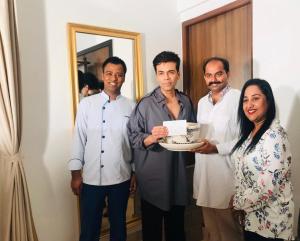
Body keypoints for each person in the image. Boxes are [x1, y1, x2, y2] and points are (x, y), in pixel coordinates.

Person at [127, 51, 196, 241]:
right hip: (153, 179)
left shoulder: (186, 102)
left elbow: (192, 131)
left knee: (177, 231)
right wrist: (151, 137)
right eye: (161, 72)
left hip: (179, 176)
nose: (166, 78)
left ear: (178, 74)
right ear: (156, 75)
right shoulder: (145, 104)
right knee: (152, 233)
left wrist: (195, 141)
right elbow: (133, 138)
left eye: (171, 72)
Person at [69, 56, 136, 241]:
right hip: (91, 179)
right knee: (89, 230)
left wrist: (134, 173)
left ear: (124, 77)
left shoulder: (131, 106)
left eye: (119, 74)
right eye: (109, 73)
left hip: (121, 177)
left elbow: (134, 143)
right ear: (102, 74)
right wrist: (75, 174)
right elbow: (79, 139)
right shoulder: (86, 104)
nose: (113, 78)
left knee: (118, 228)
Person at [231, 78, 294, 241]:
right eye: (245, 100)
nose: (249, 104)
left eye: (255, 98)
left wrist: (237, 202)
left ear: (268, 101)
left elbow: (267, 187)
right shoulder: (249, 134)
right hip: (252, 220)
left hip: (272, 225)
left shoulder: (274, 135)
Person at [191, 57, 243, 241]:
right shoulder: (202, 102)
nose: (213, 79)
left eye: (219, 74)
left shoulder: (238, 98)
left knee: (229, 231)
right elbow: (201, 134)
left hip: (226, 175)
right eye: (209, 75)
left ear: (228, 74)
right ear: (204, 77)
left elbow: (244, 139)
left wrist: (216, 148)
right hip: (204, 174)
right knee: (211, 229)